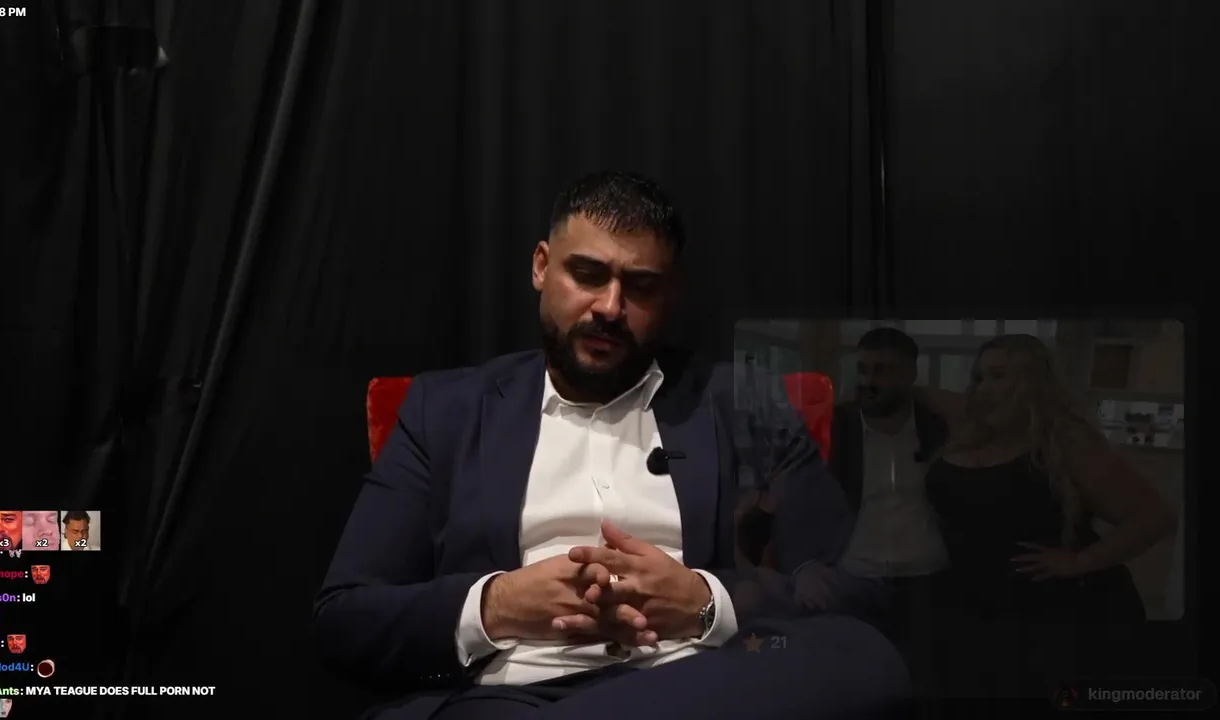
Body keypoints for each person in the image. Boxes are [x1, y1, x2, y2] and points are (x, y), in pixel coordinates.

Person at [314, 172, 908, 719]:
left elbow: (857, 591)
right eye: (588, 275)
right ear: (541, 267)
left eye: (641, 287)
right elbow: (345, 618)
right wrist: (495, 605)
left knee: (864, 657)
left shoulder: (745, 406)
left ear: (671, 293)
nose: (610, 308)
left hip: (702, 684)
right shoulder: (445, 411)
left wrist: (707, 602)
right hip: (507, 696)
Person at [921, 334, 1176, 698]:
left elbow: (1155, 516)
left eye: (998, 376)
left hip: (1058, 619)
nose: (984, 386)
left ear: (1032, 383)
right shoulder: (971, 431)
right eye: (979, 377)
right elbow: (916, 392)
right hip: (977, 611)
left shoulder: (1066, 444)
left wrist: (1080, 561)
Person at [736, 327, 950, 692]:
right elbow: (794, 500)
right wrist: (804, 566)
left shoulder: (936, 428)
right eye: (863, 369)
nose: (869, 381)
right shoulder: (833, 427)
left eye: (883, 371)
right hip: (850, 574)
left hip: (925, 577)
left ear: (910, 375)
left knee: (926, 680)